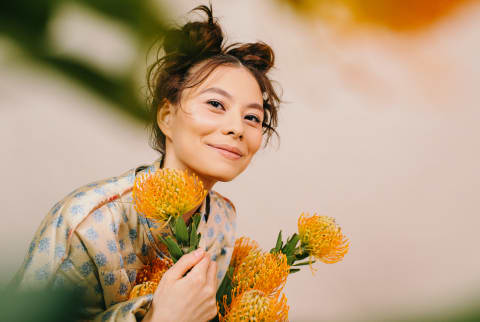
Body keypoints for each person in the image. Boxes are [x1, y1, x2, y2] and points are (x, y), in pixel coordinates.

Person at [11, 4, 280, 321]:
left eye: (252, 117)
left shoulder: (221, 219)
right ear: (167, 116)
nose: (237, 127)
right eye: (216, 104)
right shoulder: (87, 226)